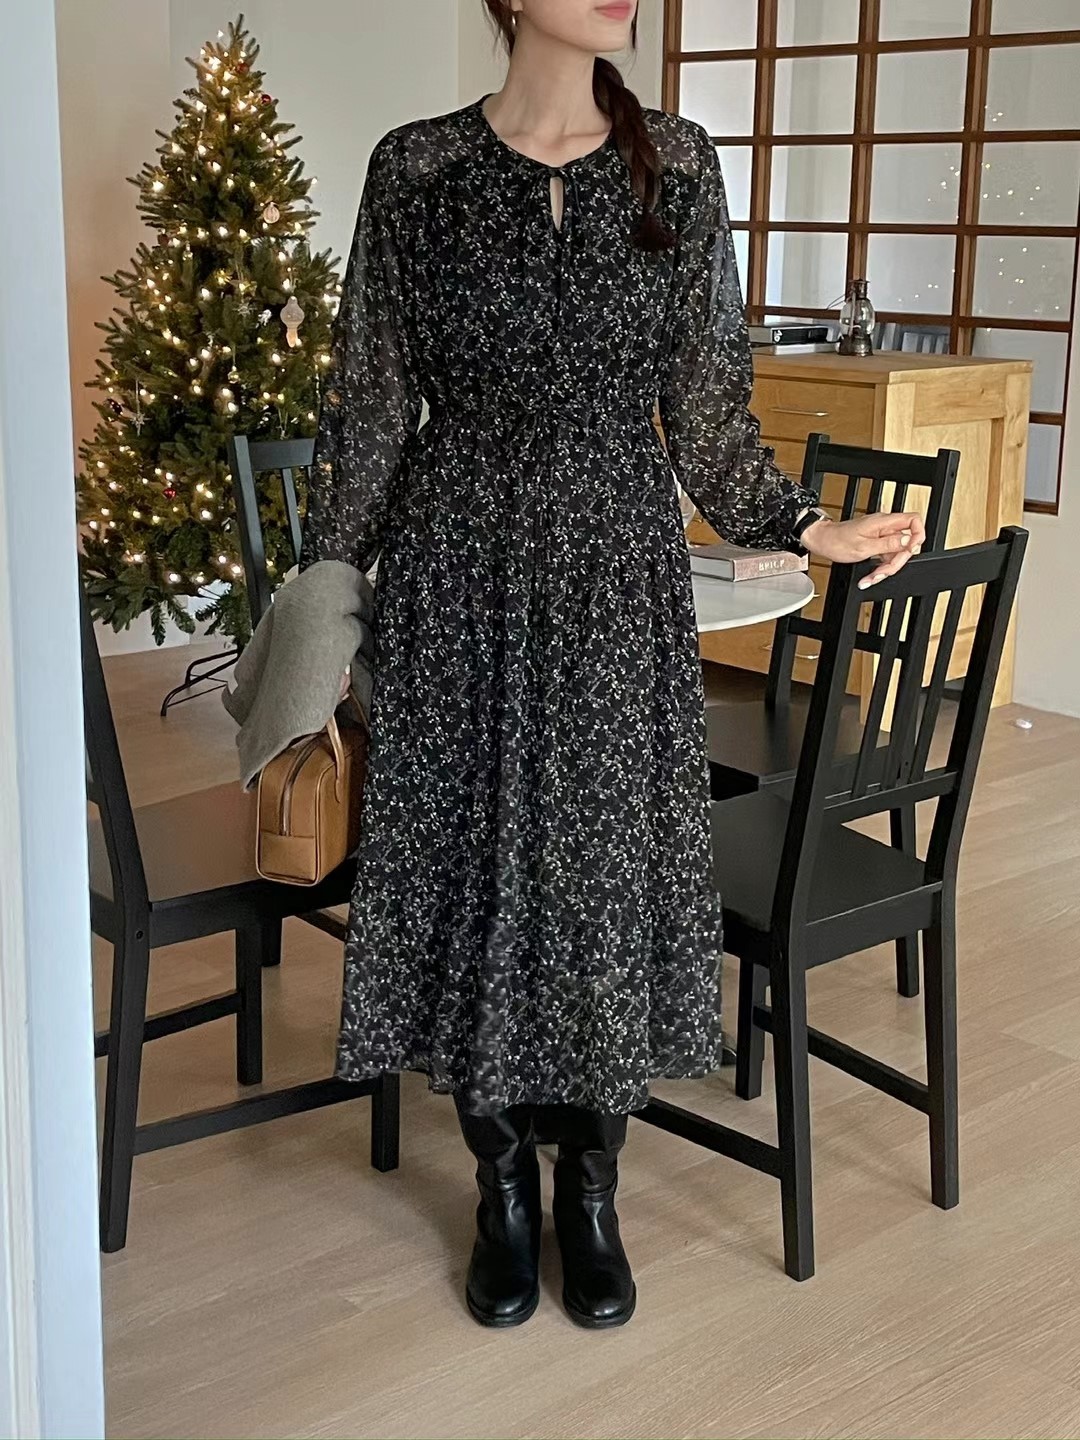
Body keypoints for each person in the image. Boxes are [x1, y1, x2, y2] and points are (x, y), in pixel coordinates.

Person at [297, 0, 925, 1330]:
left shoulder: (676, 165)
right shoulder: (417, 169)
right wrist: (322, 595)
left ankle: (590, 1185)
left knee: (598, 879)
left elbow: (707, 411)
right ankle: (498, 1186)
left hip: (613, 588)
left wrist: (807, 526)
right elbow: (371, 407)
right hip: (455, 582)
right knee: (469, 870)